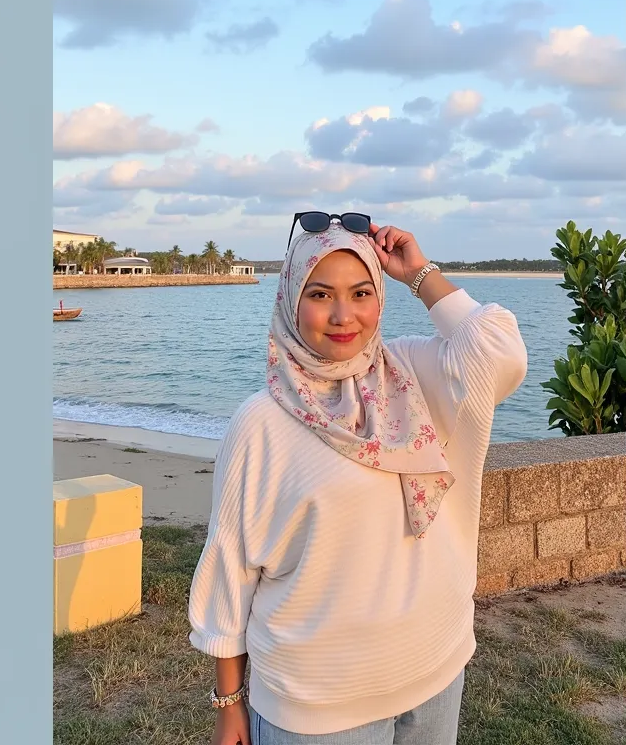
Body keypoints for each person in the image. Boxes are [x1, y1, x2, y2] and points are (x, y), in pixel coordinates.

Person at [189, 217, 528, 744]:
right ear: (290, 300)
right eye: (320, 294)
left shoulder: (414, 374)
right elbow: (231, 572)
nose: (344, 316)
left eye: (362, 292)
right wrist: (228, 703)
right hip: (317, 702)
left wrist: (418, 272)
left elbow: (500, 353)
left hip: (436, 665)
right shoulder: (262, 423)